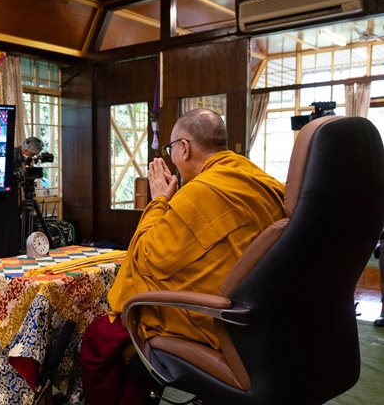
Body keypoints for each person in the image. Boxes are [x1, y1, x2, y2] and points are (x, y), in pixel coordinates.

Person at [79, 109, 286, 405]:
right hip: (266, 317)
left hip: (220, 321)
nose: (172, 156)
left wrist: (160, 200)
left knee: (101, 337)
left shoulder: (201, 192)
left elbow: (147, 257)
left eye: (171, 148)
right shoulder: (263, 181)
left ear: (185, 148)